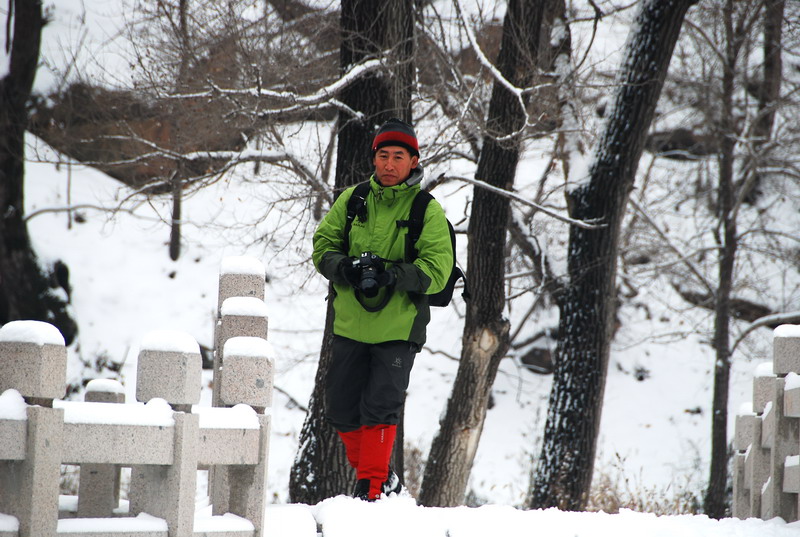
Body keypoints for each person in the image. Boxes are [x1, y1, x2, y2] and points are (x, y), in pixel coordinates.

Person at [312, 118, 453, 501]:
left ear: (413, 162)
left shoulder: (427, 210)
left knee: (379, 409)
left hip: (399, 327)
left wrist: (392, 275)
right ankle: (382, 477)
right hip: (350, 324)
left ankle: (369, 491)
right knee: (341, 410)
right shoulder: (353, 199)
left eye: (398, 157)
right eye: (383, 156)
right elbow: (322, 244)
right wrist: (346, 268)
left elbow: (438, 271)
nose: (389, 165)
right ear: (374, 158)